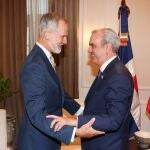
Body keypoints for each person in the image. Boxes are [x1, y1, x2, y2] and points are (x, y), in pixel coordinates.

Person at [18, 13, 102, 150]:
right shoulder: (34, 65)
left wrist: (82, 111)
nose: (65, 41)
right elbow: (37, 114)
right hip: (37, 143)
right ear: (47, 34)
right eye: (63, 36)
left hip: (49, 139)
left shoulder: (45, 58)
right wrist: (75, 132)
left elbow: (58, 92)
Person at [47, 28, 134, 150]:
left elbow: (113, 120)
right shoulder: (108, 70)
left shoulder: (118, 75)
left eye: (93, 46)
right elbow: (98, 107)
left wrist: (74, 121)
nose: (89, 50)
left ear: (108, 47)